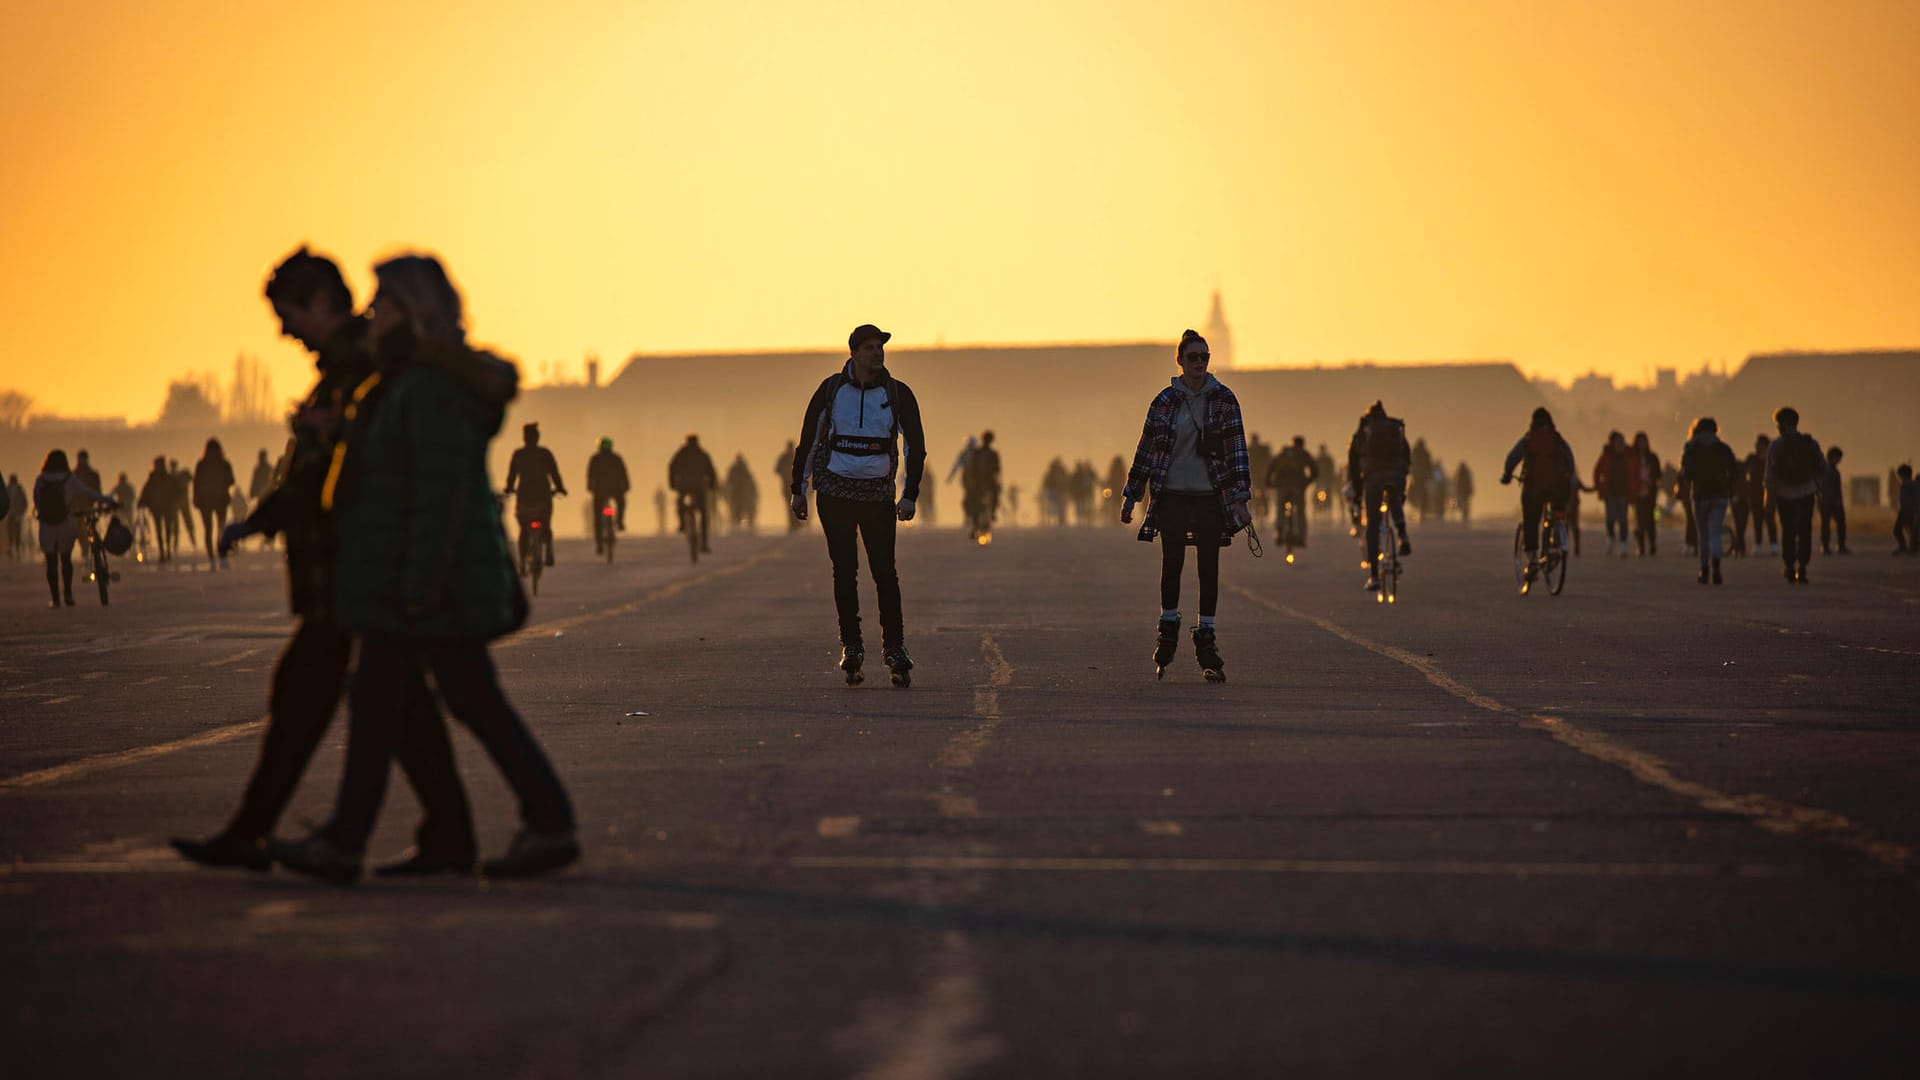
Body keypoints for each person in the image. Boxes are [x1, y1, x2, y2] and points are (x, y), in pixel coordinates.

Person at [268, 253, 577, 883]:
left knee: (410, 698)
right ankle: (544, 822)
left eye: (382, 303)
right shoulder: (405, 380)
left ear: (411, 313)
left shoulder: (430, 389)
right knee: (452, 699)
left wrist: (418, 588)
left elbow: (438, 498)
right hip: (414, 577)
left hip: (426, 580)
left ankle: (349, 841)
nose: (371, 314)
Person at [174, 246, 477, 877]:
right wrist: (262, 518)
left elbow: (356, 464)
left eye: (287, 313)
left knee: (345, 694)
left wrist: (278, 499)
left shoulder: (366, 367)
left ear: (318, 305)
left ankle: (276, 835)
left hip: (356, 565)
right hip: (346, 566)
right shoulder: (349, 368)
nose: (283, 329)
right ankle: (445, 833)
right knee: (384, 701)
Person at [790, 323, 927, 685]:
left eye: (880, 347)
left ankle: (894, 648)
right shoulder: (832, 390)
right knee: (844, 571)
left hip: (877, 495)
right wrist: (798, 488)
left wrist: (910, 493)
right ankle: (852, 647)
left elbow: (915, 446)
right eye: (869, 347)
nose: (876, 353)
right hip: (834, 493)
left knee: (885, 573)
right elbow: (808, 439)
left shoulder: (898, 394)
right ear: (853, 353)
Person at [1120, 329, 1252, 680]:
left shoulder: (1224, 399)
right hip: (1173, 493)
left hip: (1210, 495)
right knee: (1172, 560)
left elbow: (1237, 450)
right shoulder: (1164, 402)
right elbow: (1145, 450)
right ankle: (1168, 627)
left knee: (1209, 566)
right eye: (1192, 357)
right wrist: (1131, 495)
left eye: (1204, 357)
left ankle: (1206, 635)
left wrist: (1241, 498)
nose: (1199, 363)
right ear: (1179, 360)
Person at [1500, 407, 1576, 583]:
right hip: (1558, 490)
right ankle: (1556, 542)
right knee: (1557, 512)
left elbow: (1512, 458)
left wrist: (1506, 475)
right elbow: (1570, 461)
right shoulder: (1557, 440)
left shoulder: (1528, 439)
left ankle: (1533, 559)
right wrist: (1569, 477)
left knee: (1531, 520)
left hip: (1534, 489)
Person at [32, 450, 114, 607]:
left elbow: (37, 501)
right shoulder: (69, 479)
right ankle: (68, 594)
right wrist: (109, 500)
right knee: (66, 559)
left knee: (51, 562)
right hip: (66, 523)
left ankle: (55, 598)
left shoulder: (41, 480)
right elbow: (89, 493)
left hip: (47, 525)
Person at [1349, 400, 1413, 591]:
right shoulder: (1396, 428)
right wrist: (1401, 479)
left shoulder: (1363, 432)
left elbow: (1354, 466)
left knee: (1373, 522)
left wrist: (1359, 493)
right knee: (1394, 501)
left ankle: (1374, 576)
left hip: (1374, 477)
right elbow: (1407, 456)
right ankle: (1402, 535)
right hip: (1397, 475)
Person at [1764, 406, 1824, 584]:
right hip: (1806, 492)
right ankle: (1803, 567)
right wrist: (1818, 487)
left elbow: (1770, 475)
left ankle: (1789, 566)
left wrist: (1769, 499)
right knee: (1805, 530)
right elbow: (1822, 468)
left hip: (1785, 495)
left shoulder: (1776, 446)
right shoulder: (1809, 443)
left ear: (1781, 424)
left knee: (1788, 531)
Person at [1680, 416, 1740, 585]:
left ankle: (1704, 569)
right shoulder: (1722, 448)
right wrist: (1726, 485)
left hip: (1699, 496)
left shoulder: (1691, 448)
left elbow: (1686, 473)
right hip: (1720, 496)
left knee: (1703, 534)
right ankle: (1717, 568)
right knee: (1715, 533)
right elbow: (1734, 471)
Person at [504, 422, 566, 568]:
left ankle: (522, 562)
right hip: (543, 497)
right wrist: (560, 488)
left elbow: (512, 476)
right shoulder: (545, 453)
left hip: (524, 497)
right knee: (546, 524)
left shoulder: (518, 454)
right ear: (537, 438)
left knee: (524, 530)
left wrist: (509, 489)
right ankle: (548, 550)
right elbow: (554, 473)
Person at [1264, 435, 1318, 546]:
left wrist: (1269, 483)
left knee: (1280, 510)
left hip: (1281, 487)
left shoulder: (1283, 454)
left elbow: (1271, 468)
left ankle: (1279, 533)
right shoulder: (1303, 454)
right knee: (1300, 512)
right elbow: (1315, 471)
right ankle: (1301, 537)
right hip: (1297, 487)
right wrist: (1306, 482)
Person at [668, 434, 718, 552]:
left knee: (680, 503)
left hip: (683, 486)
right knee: (703, 513)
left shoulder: (681, 454)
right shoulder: (702, 454)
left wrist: (672, 483)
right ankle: (704, 543)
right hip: (699, 487)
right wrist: (712, 484)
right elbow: (710, 470)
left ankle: (682, 523)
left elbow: (672, 467)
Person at [192, 438, 236, 569]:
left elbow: (196, 483)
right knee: (221, 529)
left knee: (208, 530)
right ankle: (222, 556)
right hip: (221, 500)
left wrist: (195, 498)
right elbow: (231, 480)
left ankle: (211, 558)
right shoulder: (224, 464)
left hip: (205, 501)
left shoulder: (201, 464)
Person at [586, 436, 630, 553]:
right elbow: (623, 473)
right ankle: (620, 521)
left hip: (599, 491)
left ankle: (599, 543)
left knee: (597, 517)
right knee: (621, 502)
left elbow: (590, 475)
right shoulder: (616, 458)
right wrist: (626, 485)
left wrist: (590, 487)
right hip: (615, 489)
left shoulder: (595, 458)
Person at [1592, 432, 1633, 556]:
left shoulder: (1628, 455)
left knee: (1623, 519)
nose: (1620, 444)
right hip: (1609, 492)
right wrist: (1599, 486)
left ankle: (1623, 544)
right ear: (1612, 443)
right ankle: (1610, 538)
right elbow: (1597, 471)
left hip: (1624, 492)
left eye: (1622, 441)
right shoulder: (1606, 455)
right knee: (1610, 517)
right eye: (1618, 442)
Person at [964, 430, 1002, 538]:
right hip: (979, 483)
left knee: (992, 497)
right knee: (976, 503)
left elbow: (997, 469)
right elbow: (996, 469)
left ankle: (992, 513)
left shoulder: (988, 454)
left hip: (984, 483)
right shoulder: (985, 454)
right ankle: (979, 523)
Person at [1744, 435, 1778, 556]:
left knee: (1770, 520)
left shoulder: (1772, 460)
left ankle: (1774, 545)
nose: (1757, 447)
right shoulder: (1751, 459)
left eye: (1760, 445)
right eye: (1757, 445)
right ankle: (1758, 545)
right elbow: (1743, 472)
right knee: (1757, 520)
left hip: (1769, 494)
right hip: (1754, 495)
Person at [1631, 432, 1661, 556]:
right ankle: (1641, 545)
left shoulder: (1652, 457)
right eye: (1640, 441)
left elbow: (1658, 474)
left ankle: (1652, 543)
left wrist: (1650, 480)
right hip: (1637, 494)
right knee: (1639, 521)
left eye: (1644, 441)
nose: (1642, 444)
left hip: (1650, 493)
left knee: (1651, 520)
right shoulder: (1633, 458)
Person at [1817, 446, 1848, 555]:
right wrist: (1834, 500)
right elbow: (1825, 487)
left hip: (1830, 501)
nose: (1840, 460)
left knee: (1835, 524)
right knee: (1827, 525)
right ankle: (1829, 546)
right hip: (1828, 502)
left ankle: (1838, 545)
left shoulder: (1832, 470)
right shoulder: (1827, 470)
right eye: (1839, 458)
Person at [726, 452, 758, 532]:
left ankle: (738, 525)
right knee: (741, 510)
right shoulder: (744, 469)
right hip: (740, 493)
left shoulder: (737, 469)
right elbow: (751, 482)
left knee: (739, 510)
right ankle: (739, 525)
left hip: (739, 493)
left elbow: (729, 481)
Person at [775, 442, 802, 531]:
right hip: (789, 484)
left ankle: (795, 522)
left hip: (795, 484)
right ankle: (793, 522)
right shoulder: (787, 457)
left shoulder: (796, 456)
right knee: (790, 504)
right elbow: (777, 469)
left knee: (794, 503)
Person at [1894, 465, 1918, 555]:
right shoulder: (1904, 485)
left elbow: (1915, 500)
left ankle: (1912, 548)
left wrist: (1916, 512)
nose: (1900, 478)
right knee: (1898, 530)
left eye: (1900, 475)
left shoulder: (1913, 485)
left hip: (1910, 512)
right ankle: (1904, 546)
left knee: (1912, 530)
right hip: (1903, 511)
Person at [3, 473, 25, 560]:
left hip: (16, 515)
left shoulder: (19, 491)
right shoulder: (7, 490)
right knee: (11, 533)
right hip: (10, 515)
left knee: (17, 533)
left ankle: (17, 550)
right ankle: (12, 550)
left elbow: (24, 503)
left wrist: (21, 513)